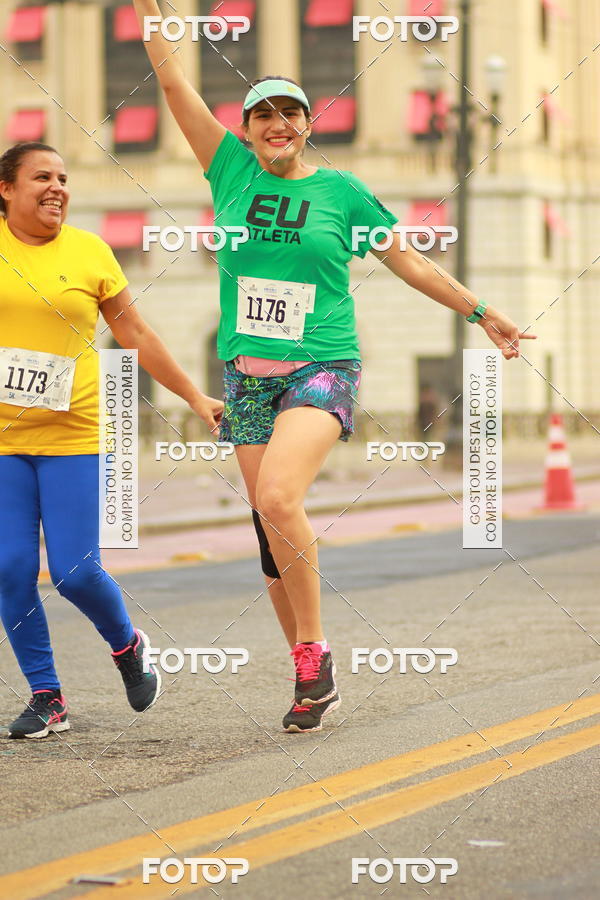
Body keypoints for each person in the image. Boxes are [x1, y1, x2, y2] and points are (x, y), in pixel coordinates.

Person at [134, 0, 535, 733]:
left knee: (281, 497)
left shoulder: (342, 193)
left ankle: (314, 650)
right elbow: (170, 81)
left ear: (308, 124)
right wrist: (147, 8)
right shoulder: (226, 168)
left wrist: (482, 312)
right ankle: (310, 680)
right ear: (247, 127)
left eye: (291, 114)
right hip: (247, 376)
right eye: (264, 116)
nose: (278, 126)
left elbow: (408, 259)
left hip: (322, 363)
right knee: (268, 534)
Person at [0, 141, 223, 739]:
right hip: (2, 441)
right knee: (10, 568)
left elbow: (137, 335)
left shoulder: (91, 251)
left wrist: (195, 398)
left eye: (64, 178)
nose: (57, 188)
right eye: (41, 177)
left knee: (73, 572)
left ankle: (127, 645)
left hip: (71, 431)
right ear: (7, 189)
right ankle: (48, 696)